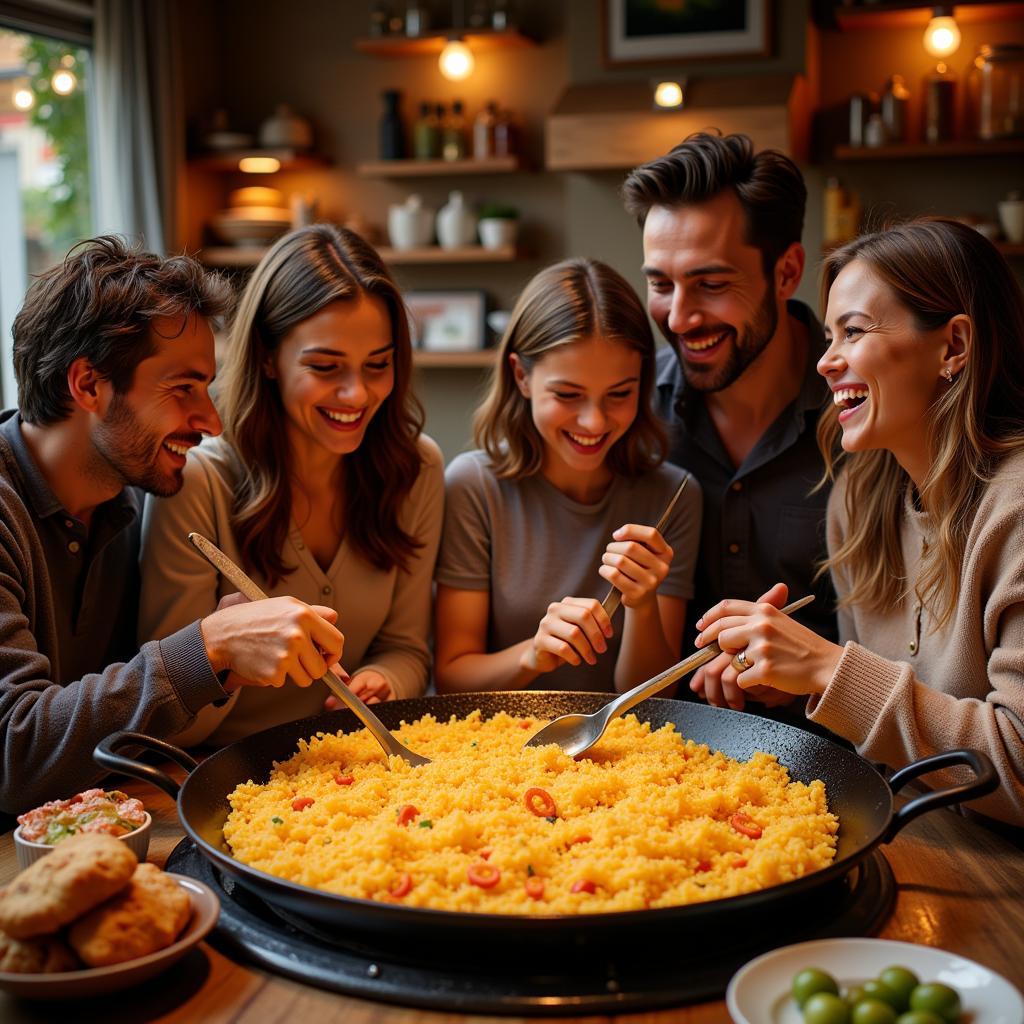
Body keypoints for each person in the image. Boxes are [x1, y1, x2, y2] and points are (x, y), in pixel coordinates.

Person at [693, 218, 1024, 826]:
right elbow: (886, 737)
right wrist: (802, 682)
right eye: (827, 336)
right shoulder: (861, 498)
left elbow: (1020, 768)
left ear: (953, 346)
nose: (825, 362)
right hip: (910, 838)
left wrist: (828, 668)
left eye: (854, 332)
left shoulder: (1016, 510)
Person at [0, 236, 346, 814]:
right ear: (87, 385)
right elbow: (13, 753)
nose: (210, 420)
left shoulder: (130, 503)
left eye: (206, 388)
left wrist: (223, 658)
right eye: (182, 388)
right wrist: (207, 649)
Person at [139, 224, 443, 746]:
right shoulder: (197, 483)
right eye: (325, 366)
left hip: (355, 773)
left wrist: (385, 680)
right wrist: (229, 656)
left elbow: (408, 649)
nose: (356, 393)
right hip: (223, 774)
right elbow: (172, 720)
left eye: (379, 365)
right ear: (265, 357)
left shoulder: (416, 468)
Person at [621, 131, 836, 713]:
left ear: (786, 272)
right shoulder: (628, 413)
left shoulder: (862, 412)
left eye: (711, 285)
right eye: (661, 284)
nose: (681, 316)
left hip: (841, 757)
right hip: (666, 752)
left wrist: (805, 681)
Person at [434, 258, 701, 694]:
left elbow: (654, 699)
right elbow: (452, 677)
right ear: (521, 376)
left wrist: (643, 605)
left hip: (625, 752)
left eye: (619, 394)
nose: (593, 422)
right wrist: (532, 655)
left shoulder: (674, 495)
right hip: (493, 747)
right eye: (568, 394)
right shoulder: (474, 485)